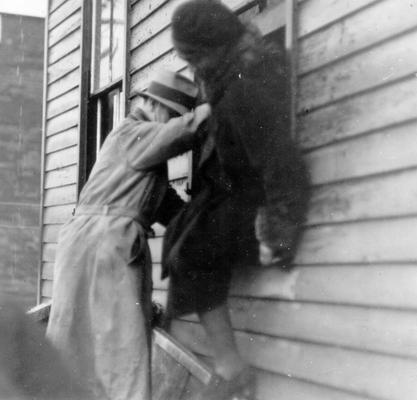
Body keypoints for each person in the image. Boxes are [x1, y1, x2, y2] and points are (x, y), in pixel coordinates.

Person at [162, 1, 310, 399]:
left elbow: (283, 164)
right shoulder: (225, 78)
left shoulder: (244, 87)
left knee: (192, 250)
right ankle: (228, 364)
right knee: (181, 233)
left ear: (215, 46)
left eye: (193, 56)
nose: (192, 66)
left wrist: (277, 229)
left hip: (260, 195)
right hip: (238, 187)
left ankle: (231, 367)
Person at [46, 70, 210, 400]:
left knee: (77, 346)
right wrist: (220, 104)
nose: (171, 124)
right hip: (105, 239)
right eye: (173, 116)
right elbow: (183, 133)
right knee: (123, 360)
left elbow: (173, 211)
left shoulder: (144, 160)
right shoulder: (131, 132)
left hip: (88, 242)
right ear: (153, 105)